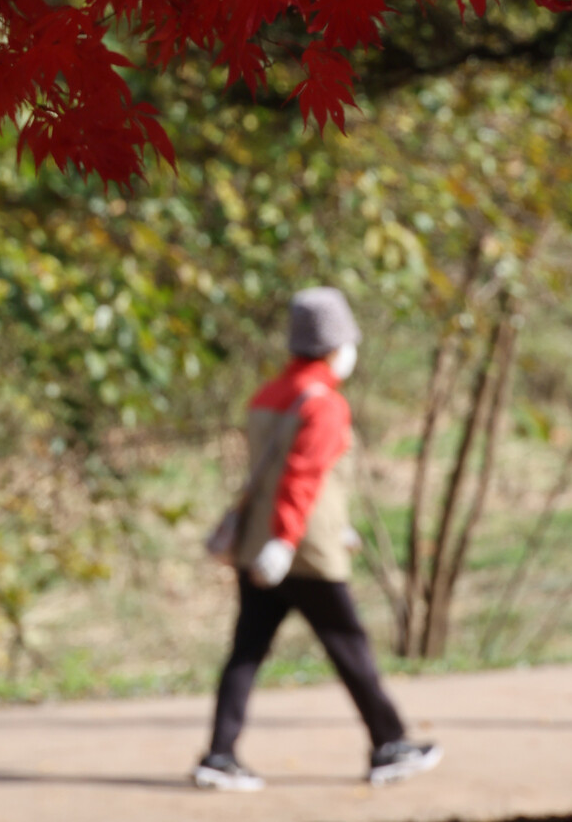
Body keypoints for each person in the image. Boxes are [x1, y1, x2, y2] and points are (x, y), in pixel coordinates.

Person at [193, 286, 443, 792]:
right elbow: (302, 477)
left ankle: (219, 754)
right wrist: (287, 541)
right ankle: (389, 744)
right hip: (302, 550)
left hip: (259, 546)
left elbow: (285, 475)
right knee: (350, 647)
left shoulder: (267, 396)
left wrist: (285, 537)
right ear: (335, 345)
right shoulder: (324, 402)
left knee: (246, 652)